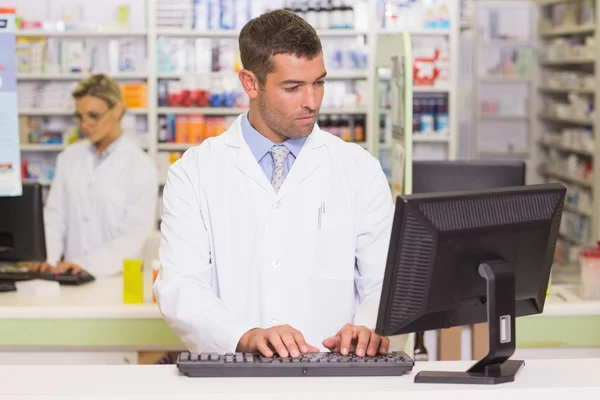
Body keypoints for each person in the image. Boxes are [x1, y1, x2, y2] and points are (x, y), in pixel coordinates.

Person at [154, 9, 405, 358]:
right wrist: (243, 335)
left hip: (337, 378)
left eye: (318, 82)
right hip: (234, 379)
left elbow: (385, 281)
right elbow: (179, 286)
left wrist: (369, 328)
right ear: (250, 83)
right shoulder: (194, 173)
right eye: (293, 87)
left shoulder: (358, 169)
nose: (312, 102)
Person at [37, 74, 158, 277]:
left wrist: (87, 265)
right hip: (69, 276)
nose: (85, 124)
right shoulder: (69, 158)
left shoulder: (141, 166)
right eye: (80, 116)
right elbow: (55, 218)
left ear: (117, 110)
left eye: (93, 115)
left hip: (117, 279)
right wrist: (48, 261)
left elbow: (134, 236)